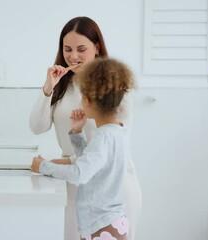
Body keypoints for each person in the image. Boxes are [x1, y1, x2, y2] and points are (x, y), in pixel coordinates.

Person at [29, 16, 141, 240]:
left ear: (96, 47)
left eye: (81, 48)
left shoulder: (117, 88)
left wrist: (51, 164)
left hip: (112, 189)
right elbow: (37, 127)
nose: (73, 56)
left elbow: (106, 151)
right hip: (76, 187)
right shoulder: (62, 85)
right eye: (67, 49)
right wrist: (48, 88)